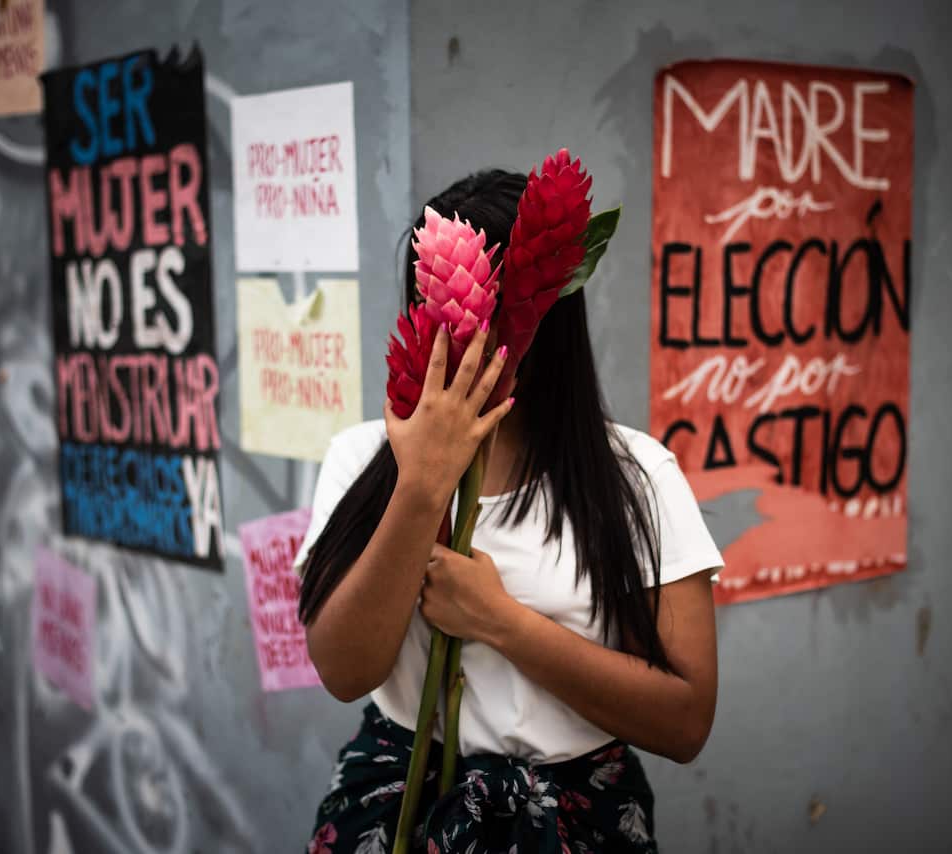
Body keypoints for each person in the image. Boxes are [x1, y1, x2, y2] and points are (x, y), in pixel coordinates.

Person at [295, 170, 723, 853]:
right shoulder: (361, 458)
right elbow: (344, 672)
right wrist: (421, 486)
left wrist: (501, 622)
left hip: (572, 816)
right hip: (398, 800)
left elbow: (685, 721)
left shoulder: (637, 478)